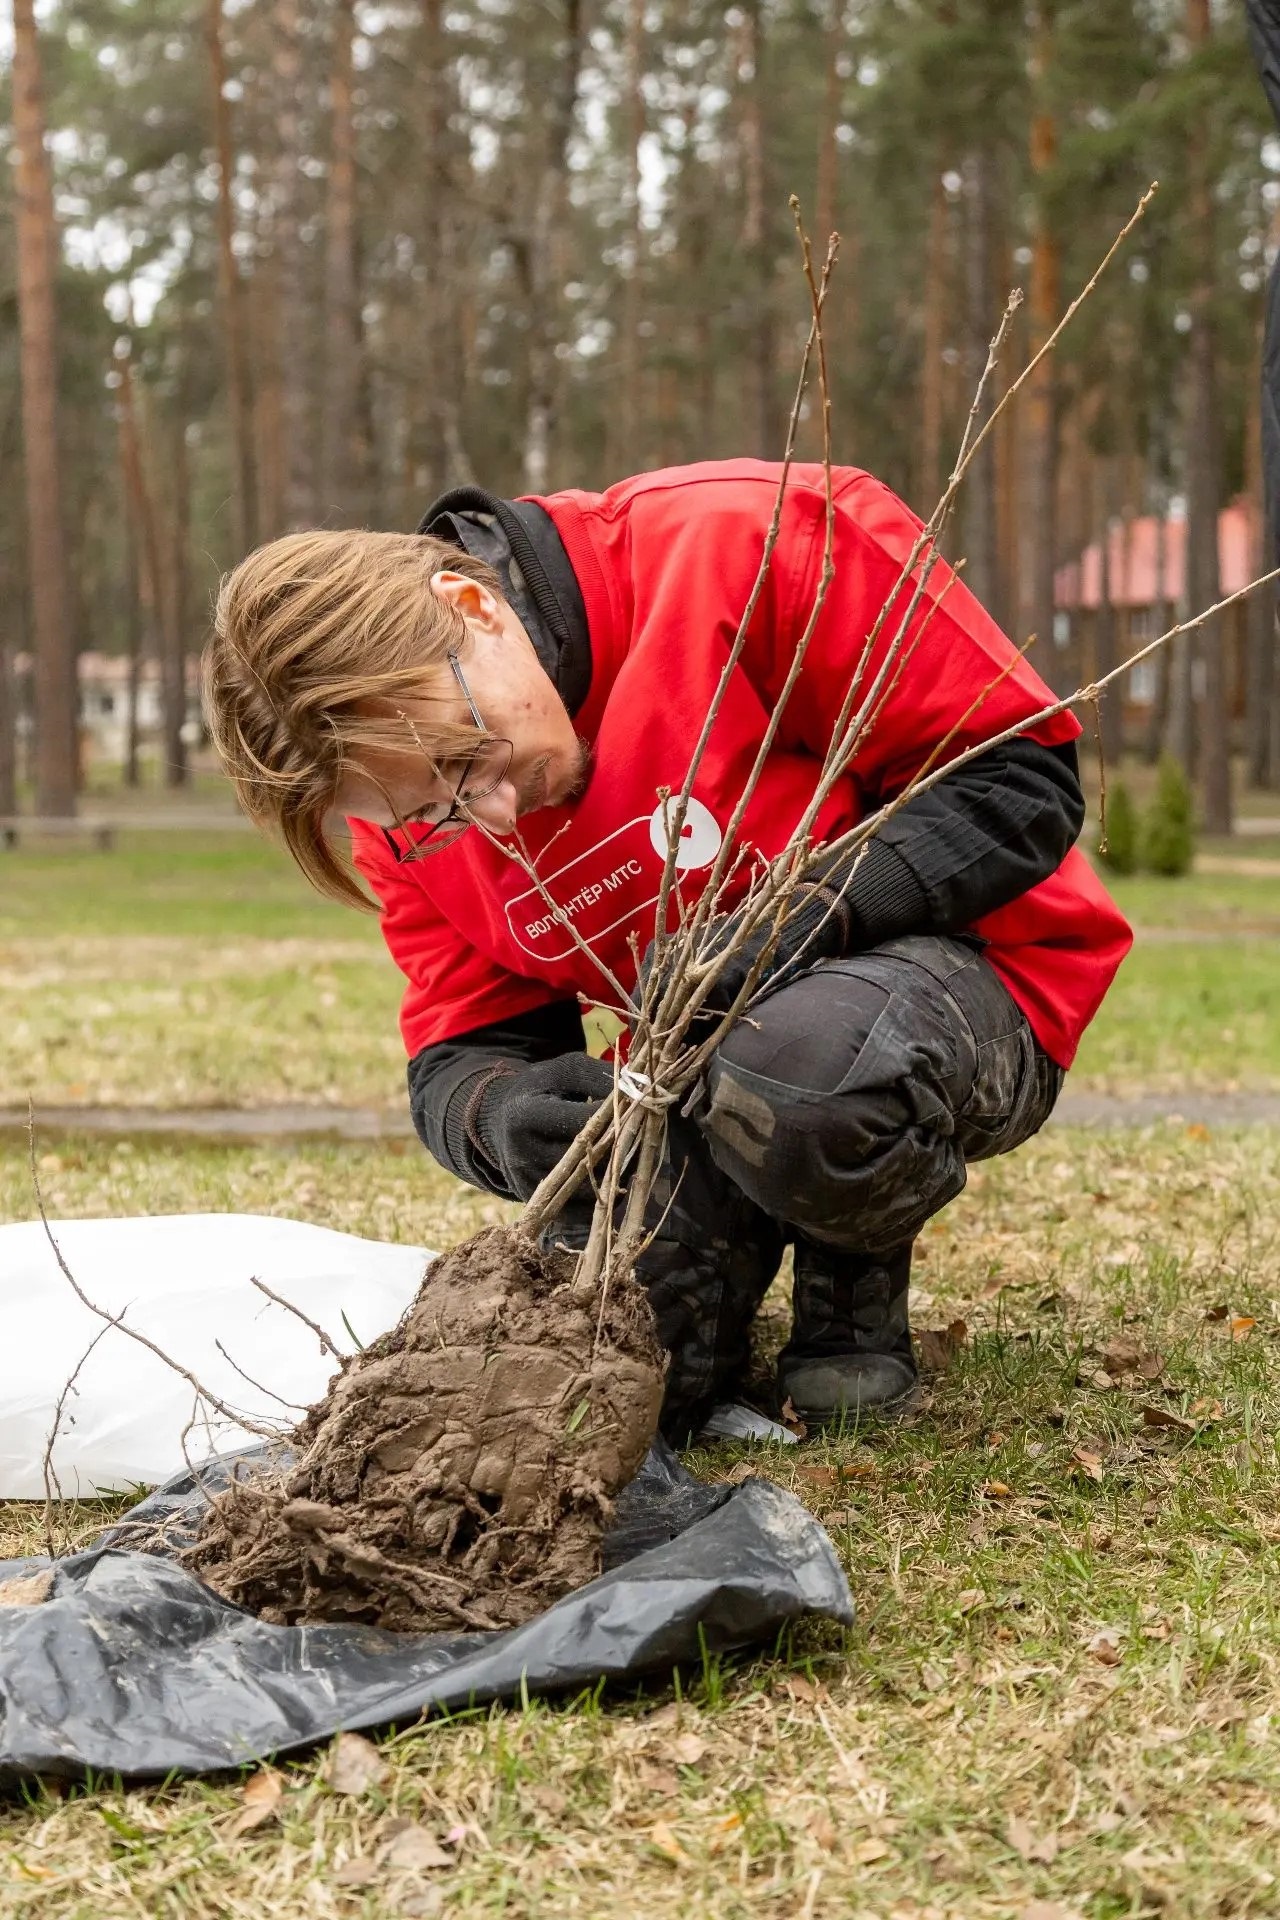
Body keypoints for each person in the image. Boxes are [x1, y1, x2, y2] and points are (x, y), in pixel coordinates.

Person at [203, 460, 1132, 1439]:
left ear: (470, 605)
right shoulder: (405, 817)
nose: (492, 812)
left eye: (465, 760)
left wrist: (804, 912)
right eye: (431, 813)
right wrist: (502, 1112)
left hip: (972, 984)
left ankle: (849, 1266)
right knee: (618, 1374)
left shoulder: (748, 542)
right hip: (698, 1076)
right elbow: (465, 1045)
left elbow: (1018, 787)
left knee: (799, 1067)